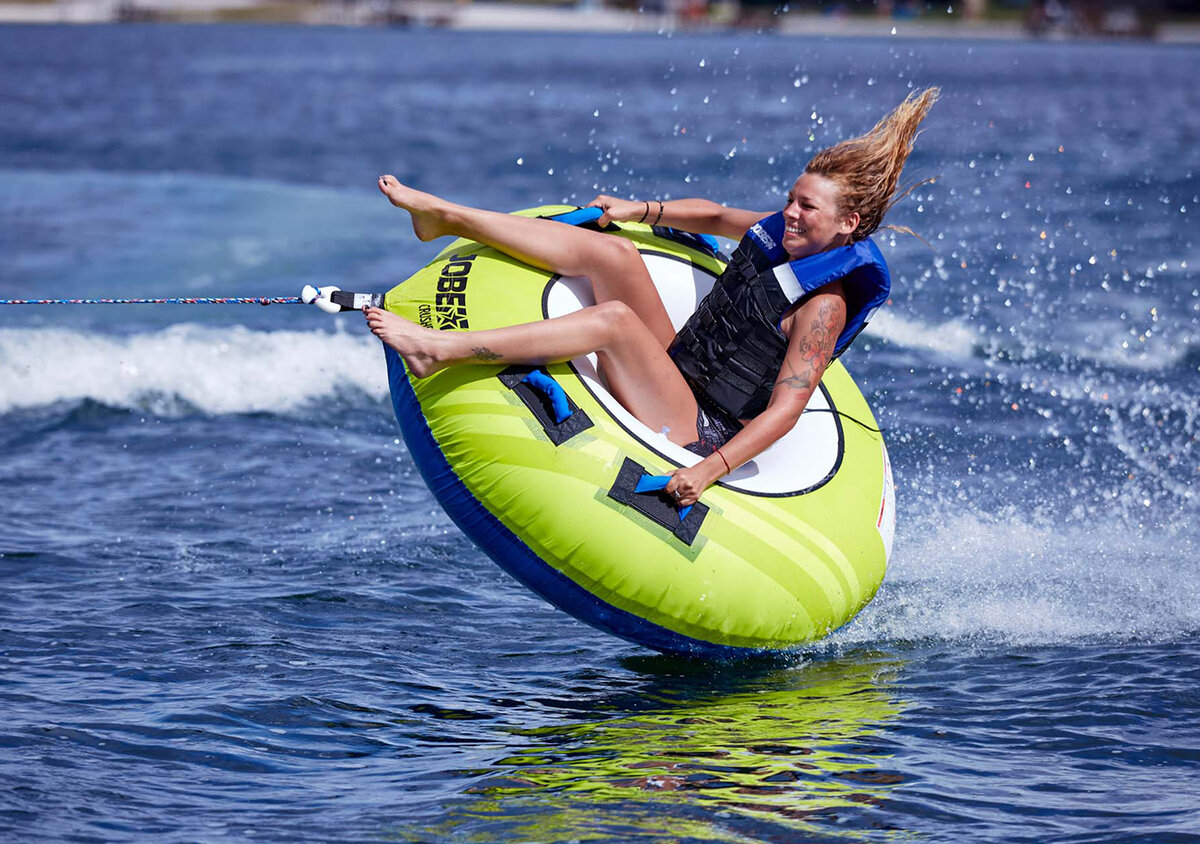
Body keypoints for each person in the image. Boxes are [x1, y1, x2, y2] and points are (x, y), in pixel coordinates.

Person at [365, 87, 938, 508]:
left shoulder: (824, 306)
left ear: (848, 224)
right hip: (678, 367)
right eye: (792, 198)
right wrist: (638, 210)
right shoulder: (777, 235)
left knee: (613, 320)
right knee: (614, 255)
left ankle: (443, 349)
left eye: (807, 208)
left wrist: (711, 469)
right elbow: (714, 214)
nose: (790, 211)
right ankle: (445, 217)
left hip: (702, 427)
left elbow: (788, 407)